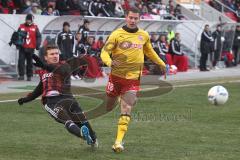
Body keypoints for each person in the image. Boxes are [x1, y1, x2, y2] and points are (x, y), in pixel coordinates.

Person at [100, 7, 166, 152]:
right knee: (109, 106)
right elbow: (104, 52)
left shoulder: (143, 35)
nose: (133, 20)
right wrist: (110, 62)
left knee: (127, 107)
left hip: (133, 78)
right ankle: (119, 98)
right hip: (116, 77)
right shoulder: (116, 34)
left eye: (135, 18)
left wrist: (161, 62)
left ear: (139, 19)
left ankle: (118, 142)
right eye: (130, 17)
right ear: (126, 17)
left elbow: (149, 51)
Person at [17, 44, 98, 147]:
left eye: (56, 53)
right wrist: (26, 99)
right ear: (46, 57)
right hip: (52, 102)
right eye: (52, 54)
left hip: (68, 99)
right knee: (67, 121)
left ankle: (93, 139)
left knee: (82, 121)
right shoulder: (43, 71)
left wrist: (43, 65)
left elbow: (57, 70)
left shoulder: (65, 65)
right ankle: (82, 134)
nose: (55, 56)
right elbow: (39, 89)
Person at [17, 14, 41, 81]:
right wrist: (18, 44)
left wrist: (38, 45)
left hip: (31, 47)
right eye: (27, 19)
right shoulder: (21, 26)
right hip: (22, 47)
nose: (28, 21)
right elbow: (17, 36)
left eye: (29, 19)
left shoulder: (35, 27)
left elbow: (38, 36)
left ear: (32, 20)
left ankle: (29, 76)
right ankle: (21, 75)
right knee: (21, 61)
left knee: (29, 62)